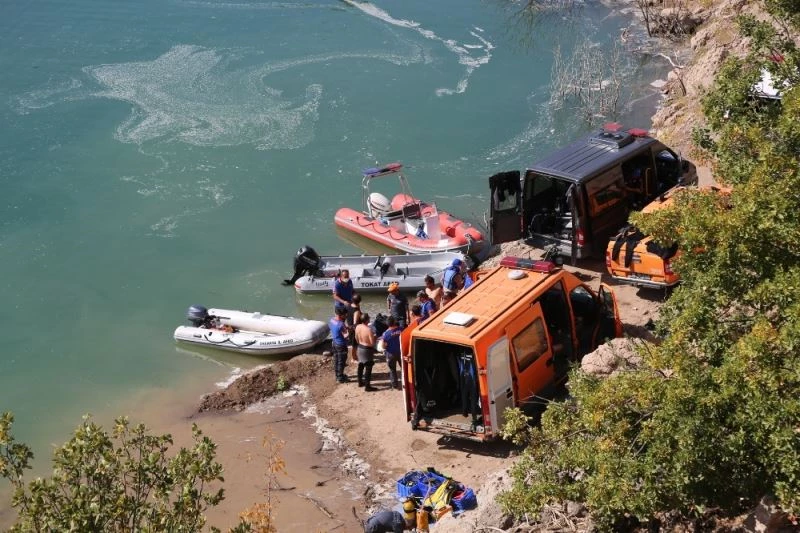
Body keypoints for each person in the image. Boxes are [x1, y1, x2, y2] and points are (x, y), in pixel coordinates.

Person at [354, 313, 377, 392]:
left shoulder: (358, 327)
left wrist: (360, 343)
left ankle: (360, 382)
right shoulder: (368, 330)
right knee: (368, 368)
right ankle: (367, 386)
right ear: (367, 320)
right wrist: (375, 337)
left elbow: (356, 338)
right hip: (367, 350)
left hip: (360, 347)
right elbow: (372, 343)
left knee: (360, 365)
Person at [381, 316, 403, 390]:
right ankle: (406, 381)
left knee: (392, 369)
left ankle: (394, 385)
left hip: (390, 354)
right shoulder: (401, 329)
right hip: (400, 352)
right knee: (403, 368)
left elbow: (383, 346)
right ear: (394, 322)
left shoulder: (385, 334)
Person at [329, 306, 350, 383]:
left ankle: (337, 375)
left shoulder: (331, 320)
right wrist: (348, 332)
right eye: (345, 314)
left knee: (336, 360)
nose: (346, 316)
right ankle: (340, 378)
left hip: (334, 343)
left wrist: (345, 328)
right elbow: (345, 336)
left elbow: (335, 328)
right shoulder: (341, 324)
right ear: (341, 315)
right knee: (341, 361)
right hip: (341, 345)